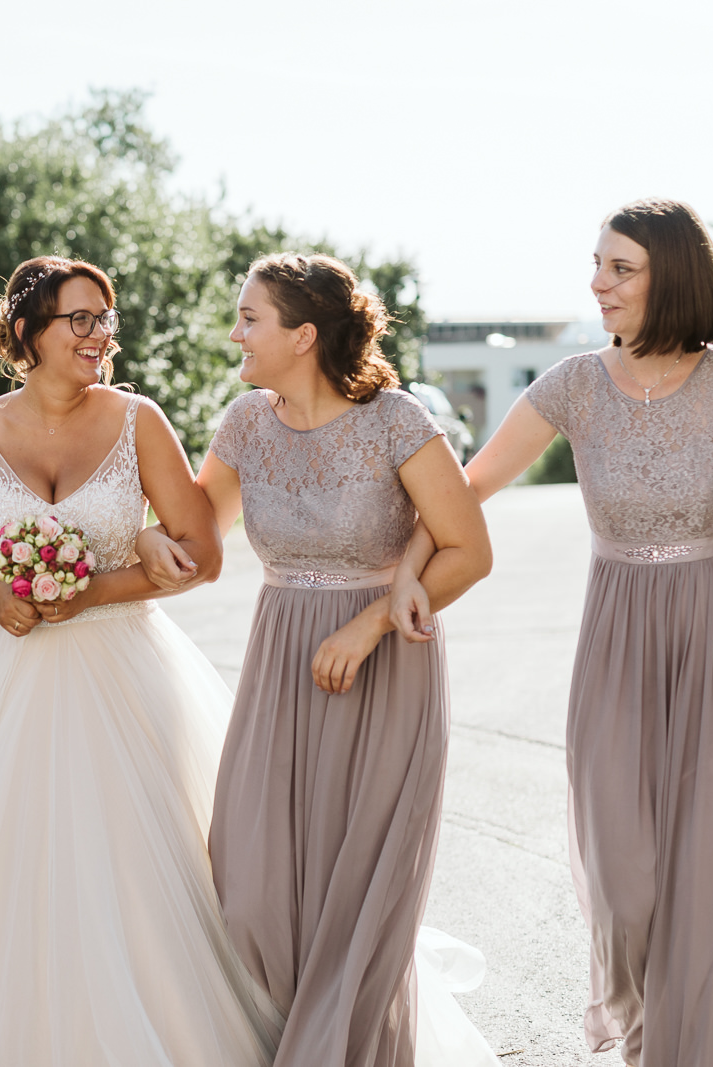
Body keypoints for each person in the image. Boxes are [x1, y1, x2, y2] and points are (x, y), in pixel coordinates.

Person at [391, 198, 713, 1065]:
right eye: (597, 264)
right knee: (625, 883)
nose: (598, 284)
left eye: (618, 267)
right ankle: (646, 1032)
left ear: (671, 274)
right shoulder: (573, 385)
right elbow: (469, 485)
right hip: (619, 643)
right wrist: (409, 563)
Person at [0, 256, 284, 1066]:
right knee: (5, 871)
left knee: (134, 871)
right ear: (26, 332)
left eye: (104, 319)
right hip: (8, 676)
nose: (99, 335)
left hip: (123, 667)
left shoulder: (138, 419)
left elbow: (204, 552)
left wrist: (98, 586)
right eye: (78, 319)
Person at [136, 253, 499, 1066]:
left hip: (384, 667)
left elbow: (469, 550)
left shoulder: (396, 420)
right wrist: (146, 535)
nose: (236, 332)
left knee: (359, 898)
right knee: (255, 890)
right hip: (280, 666)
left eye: (250, 318)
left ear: (303, 335)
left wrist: (369, 624)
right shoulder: (244, 424)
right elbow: (198, 542)